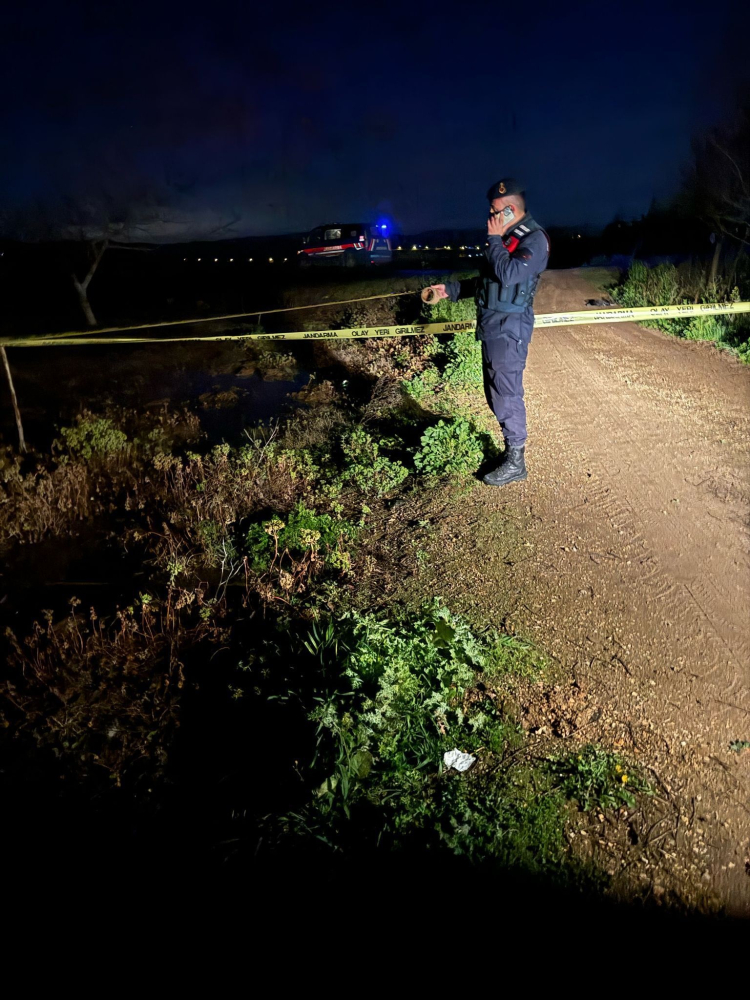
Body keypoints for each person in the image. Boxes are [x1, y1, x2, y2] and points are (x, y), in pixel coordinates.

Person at [424, 178, 549, 486]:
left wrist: (493, 239)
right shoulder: (506, 239)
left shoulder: (534, 239)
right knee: (495, 393)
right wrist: (449, 290)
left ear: (510, 210)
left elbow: (508, 274)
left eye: (494, 211)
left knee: (506, 393)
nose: (489, 217)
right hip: (492, 325)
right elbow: (488, 281)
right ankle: (510, 453)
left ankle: (516, 461)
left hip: (510, 327)